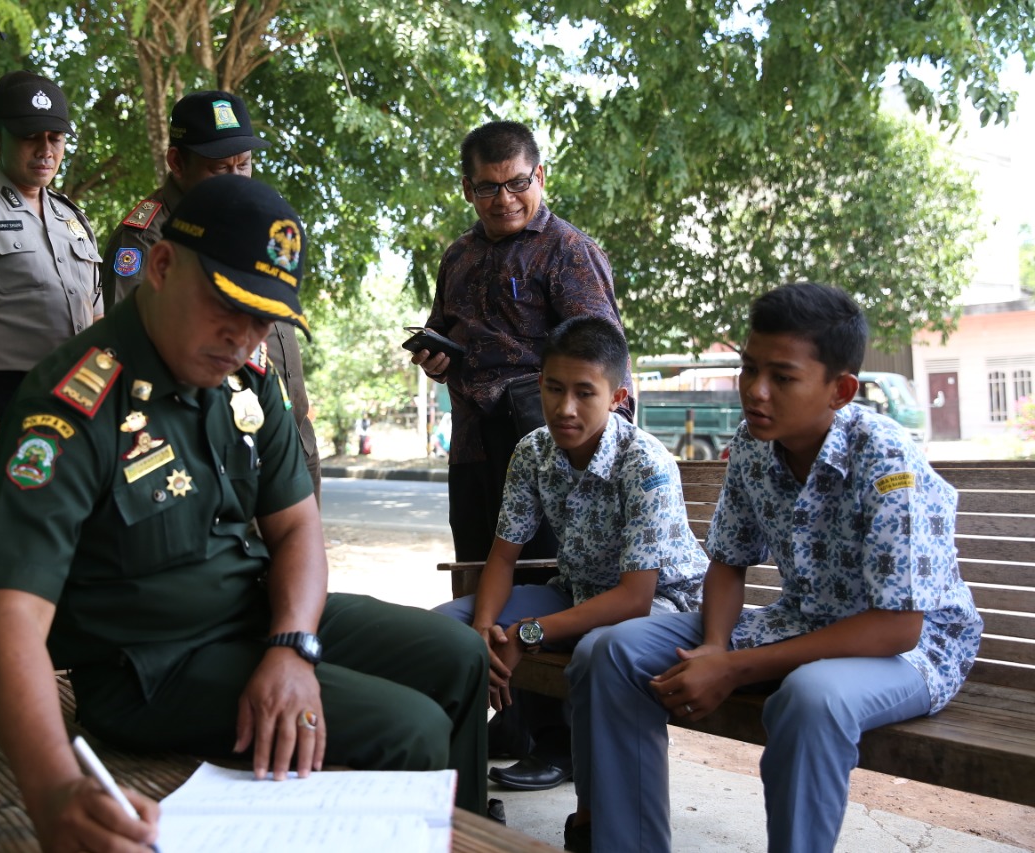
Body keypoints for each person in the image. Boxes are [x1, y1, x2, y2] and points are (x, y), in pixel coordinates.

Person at [0, 176, 489, 851]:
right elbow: (9, 615)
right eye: (225, 304)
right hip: (152, 666)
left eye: (264, 318)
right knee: (409, 726)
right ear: (160, 266)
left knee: (460, 653)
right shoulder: (72, 404)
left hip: (256, 615)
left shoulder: (248, 380)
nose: (243, 337)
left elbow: (296, 524)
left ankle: (466, 838)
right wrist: (54, 789)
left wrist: (293, 644)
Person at [567, 283, 983, 853]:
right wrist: (715, 645)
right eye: (748, 370)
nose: (755, 393)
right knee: (609, 651)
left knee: (811, 698)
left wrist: (734, 667)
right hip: (803, 623)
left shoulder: (886, 460)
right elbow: (728, 562)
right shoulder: (754, 444)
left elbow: (898, 626)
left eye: (782, 378)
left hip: (912, 651)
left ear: (840, 390)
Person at [410, 119, 634, 786]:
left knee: (547, 581)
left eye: (516, 183)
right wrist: (434, 353)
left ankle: (558, 738)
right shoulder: (457, 257)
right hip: (477, 445)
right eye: (487, 188)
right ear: (467, 189)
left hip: (548, 447)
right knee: (484, 577)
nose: (504, 198)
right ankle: (509, 717)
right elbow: (447, 329)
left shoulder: (569, 252)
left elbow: (601, 356)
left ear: (541, 178)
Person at [433, 316, 705, 793]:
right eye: (554, 389)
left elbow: (634, 600)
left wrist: (528, 631)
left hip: (662, 607)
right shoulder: (533, 451)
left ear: (618, 398)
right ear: (539, 384)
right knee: (443, 630)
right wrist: (482, 629)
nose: (565, 408)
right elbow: (501, 558)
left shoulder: (644, 463)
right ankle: (456, 794)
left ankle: (591, 802)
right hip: (576, 594)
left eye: (585, 393)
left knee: (597, 653)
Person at [101, 90, 321, 499]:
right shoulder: (147, 238)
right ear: (177, 163)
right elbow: (129, 359)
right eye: (220, 168)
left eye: (245, 165)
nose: (237, 179)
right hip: (213, 447)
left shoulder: (259, 222)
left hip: (288, 432)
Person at [0, 70, 102, 453]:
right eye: (30, 137)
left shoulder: (74, 220)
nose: (45, 150)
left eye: (55, 137)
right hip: (6, 398)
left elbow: (100, 326)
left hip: (80, 401)